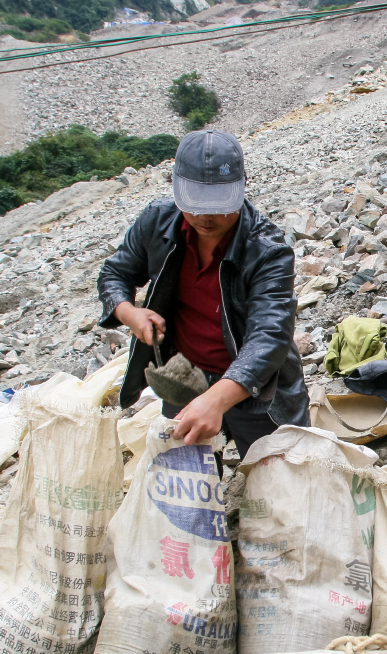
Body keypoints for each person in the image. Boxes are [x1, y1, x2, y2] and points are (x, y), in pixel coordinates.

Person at [97, 130, 308, 456]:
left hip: (256, 387)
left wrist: (216, 400)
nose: (206, 217)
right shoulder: (157, 221)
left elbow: (270, 337)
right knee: (189, 489)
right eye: (195, 205)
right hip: (185, 379)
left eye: (219, 206)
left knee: (284, 476)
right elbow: (115, 273)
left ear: (240, 188)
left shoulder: (267, 249)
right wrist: (130, 312)